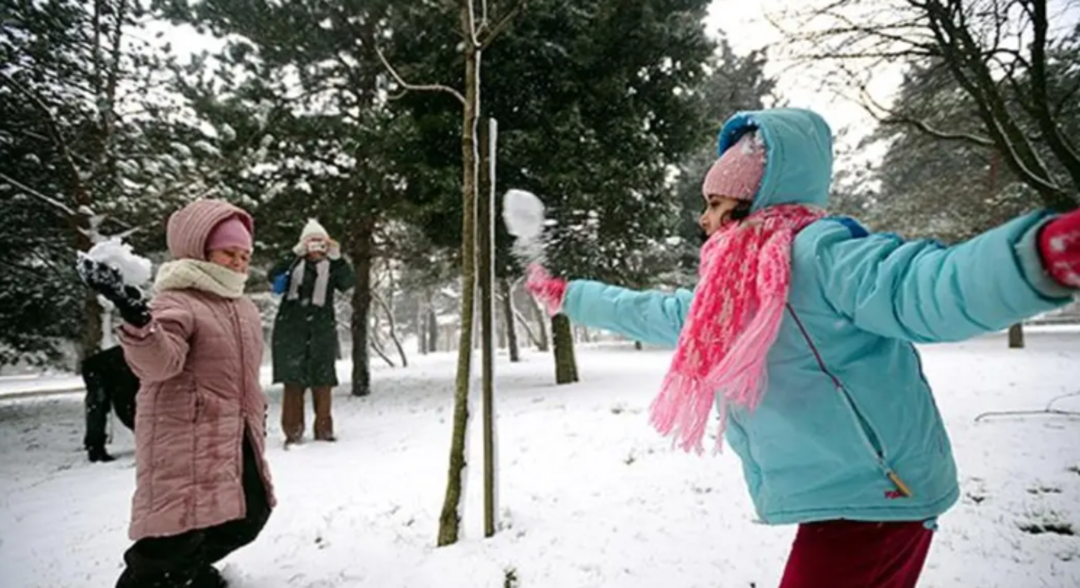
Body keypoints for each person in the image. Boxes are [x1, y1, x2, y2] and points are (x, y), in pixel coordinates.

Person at [525, 107, 1080, 588]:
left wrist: (1036, 257)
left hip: (880, 493)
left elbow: (927, 284)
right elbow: (650, 311)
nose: (704, 217)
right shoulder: (730, 290)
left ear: (755, 203)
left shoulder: (822, 256)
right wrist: (571, 295)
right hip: (848, 497)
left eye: (718, 202)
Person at [78, 199, 276, 588]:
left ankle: (189, 571)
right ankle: (151, 580)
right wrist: (138, 320)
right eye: (228, 253)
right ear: (200, 251)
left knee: (249, 515)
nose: (239, 262)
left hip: (236, 434)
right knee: (175, 531)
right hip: (184, 436)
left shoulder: (244, 308)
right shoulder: (177, 300)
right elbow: (158, 364)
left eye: (245, 255)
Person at [269, 218, 355, 445]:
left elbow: (348, 283)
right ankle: (292, 432)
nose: (316, 249)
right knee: (293, 382)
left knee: (323, 381)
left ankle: (324, 430)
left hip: (321, 331)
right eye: (311, 243)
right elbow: (273, 277)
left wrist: (338, 259)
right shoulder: (293, 264)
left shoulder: (332, 267)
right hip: (291, 330)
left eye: (321, 243)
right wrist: (292, 255)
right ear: (304, 245)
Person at [80, 345, 138, 462]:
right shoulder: (132, 368)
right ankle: (95, 448)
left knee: (100, 407)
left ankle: (94, 446)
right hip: (98, 370)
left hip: (109, 368)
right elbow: (125, 408)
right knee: (99, 406)